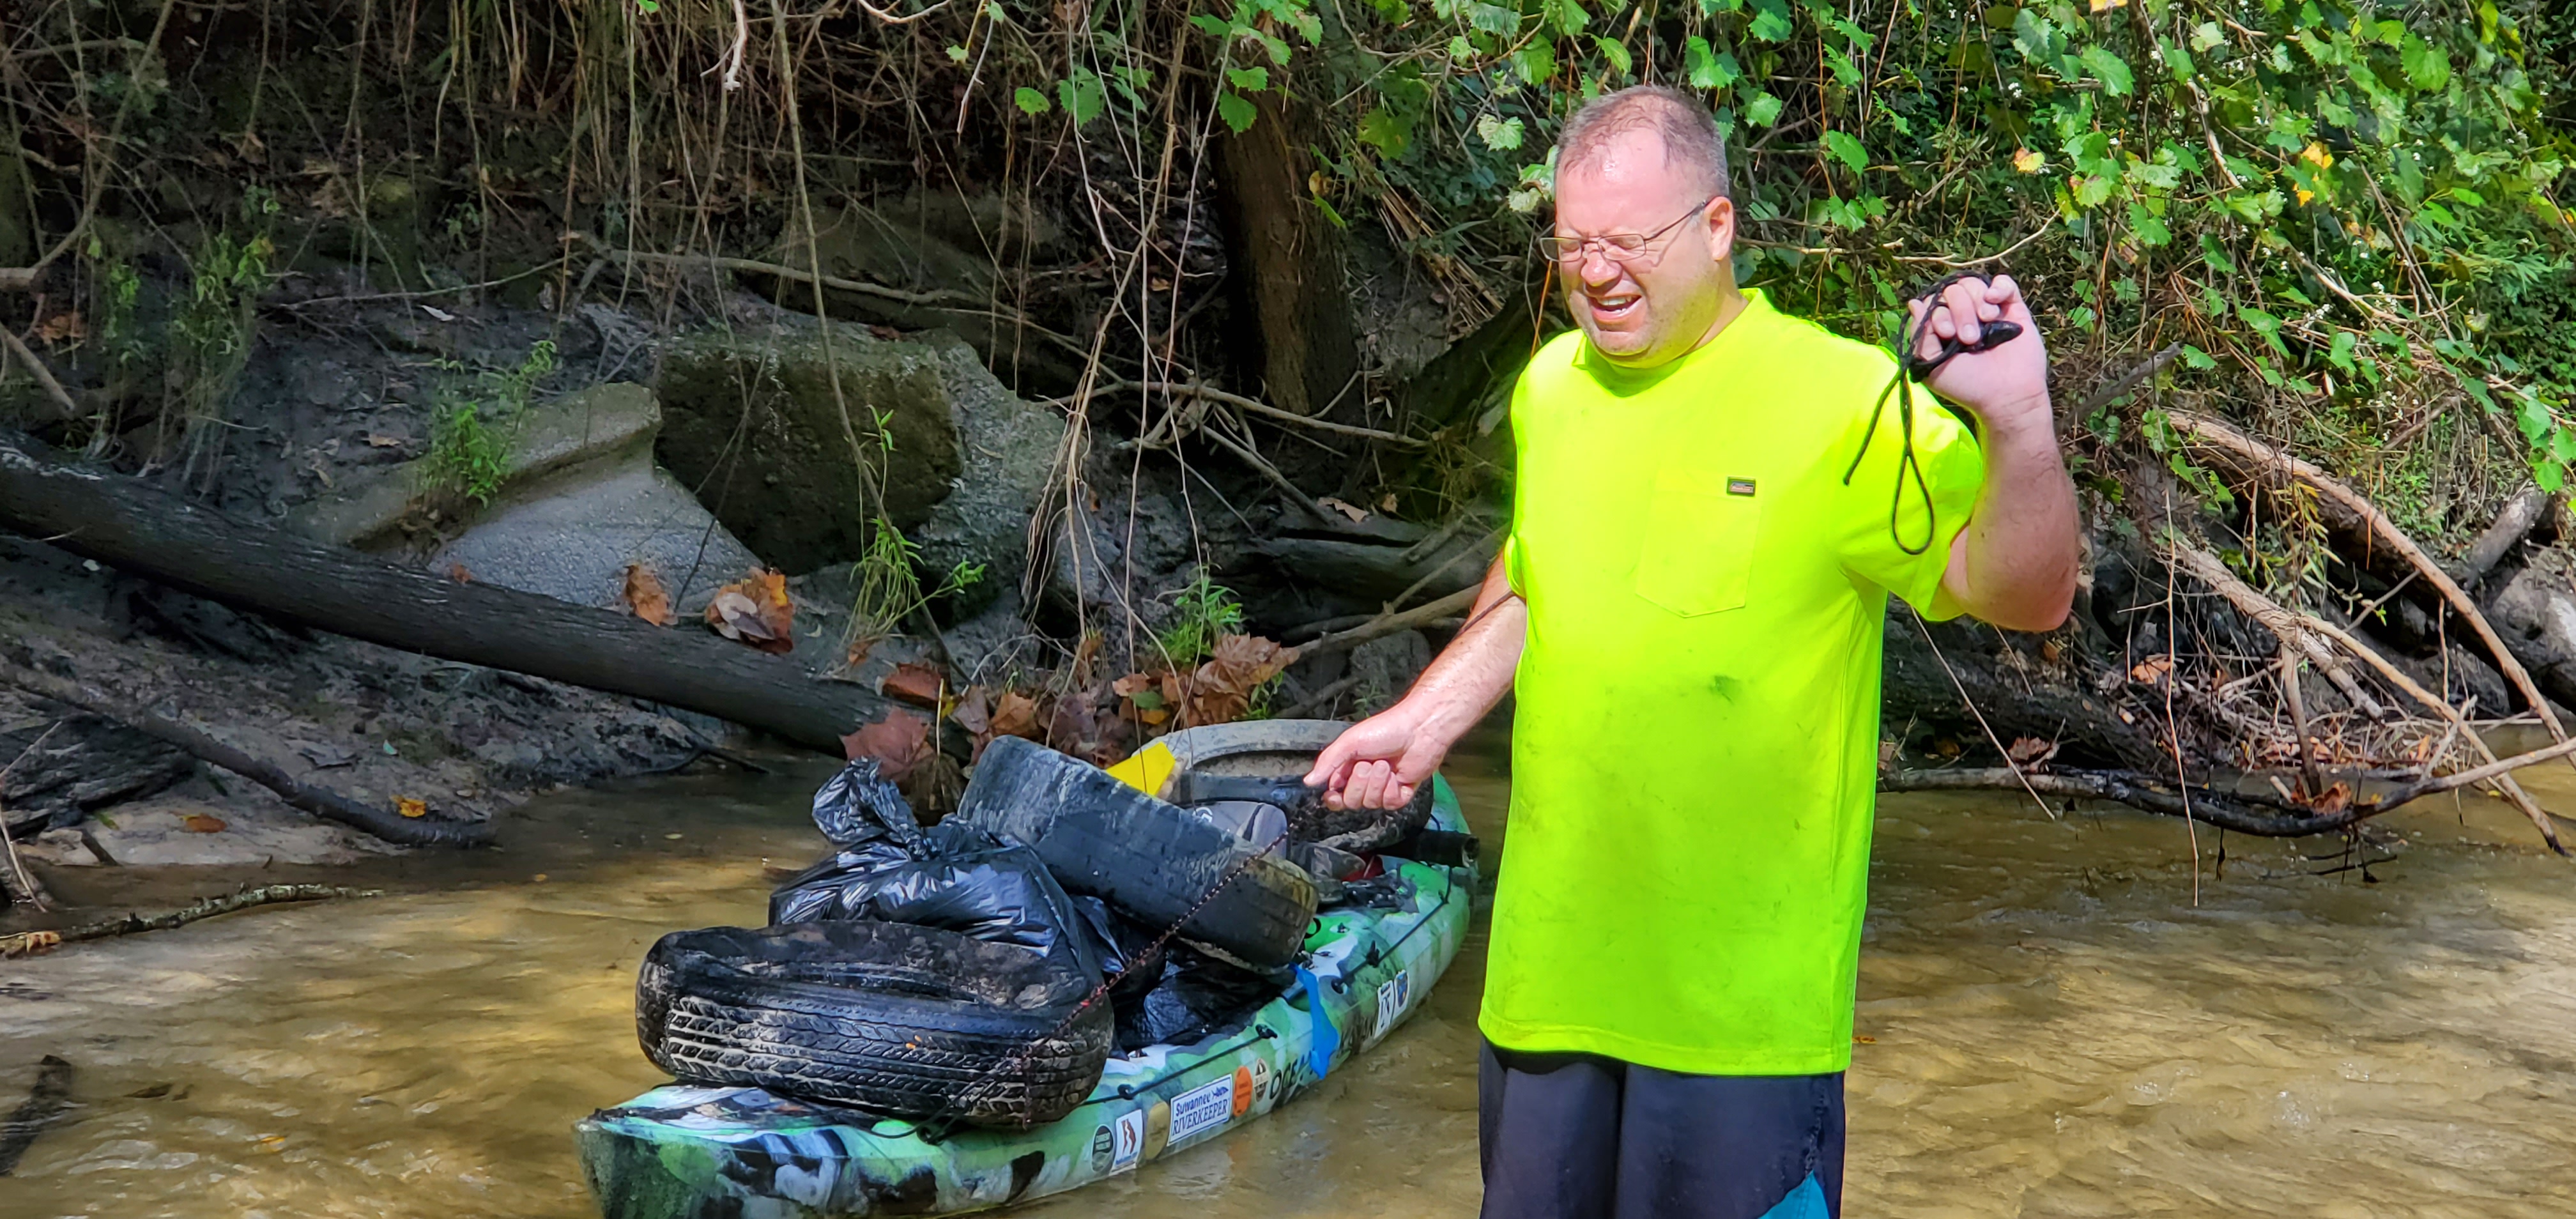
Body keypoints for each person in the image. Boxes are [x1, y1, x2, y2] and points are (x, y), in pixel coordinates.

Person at [1301, 86, 2079, 1219]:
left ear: (1717, 228)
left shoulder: (1842, 399)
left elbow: (2029, 595)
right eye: (1574, 245)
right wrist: (1425, 717)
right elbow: (1535, 577)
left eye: (1629, 242)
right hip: (1546, 989)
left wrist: (2018, 421)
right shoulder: (1552, 388)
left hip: (1742, 1024)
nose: (1598, 272)